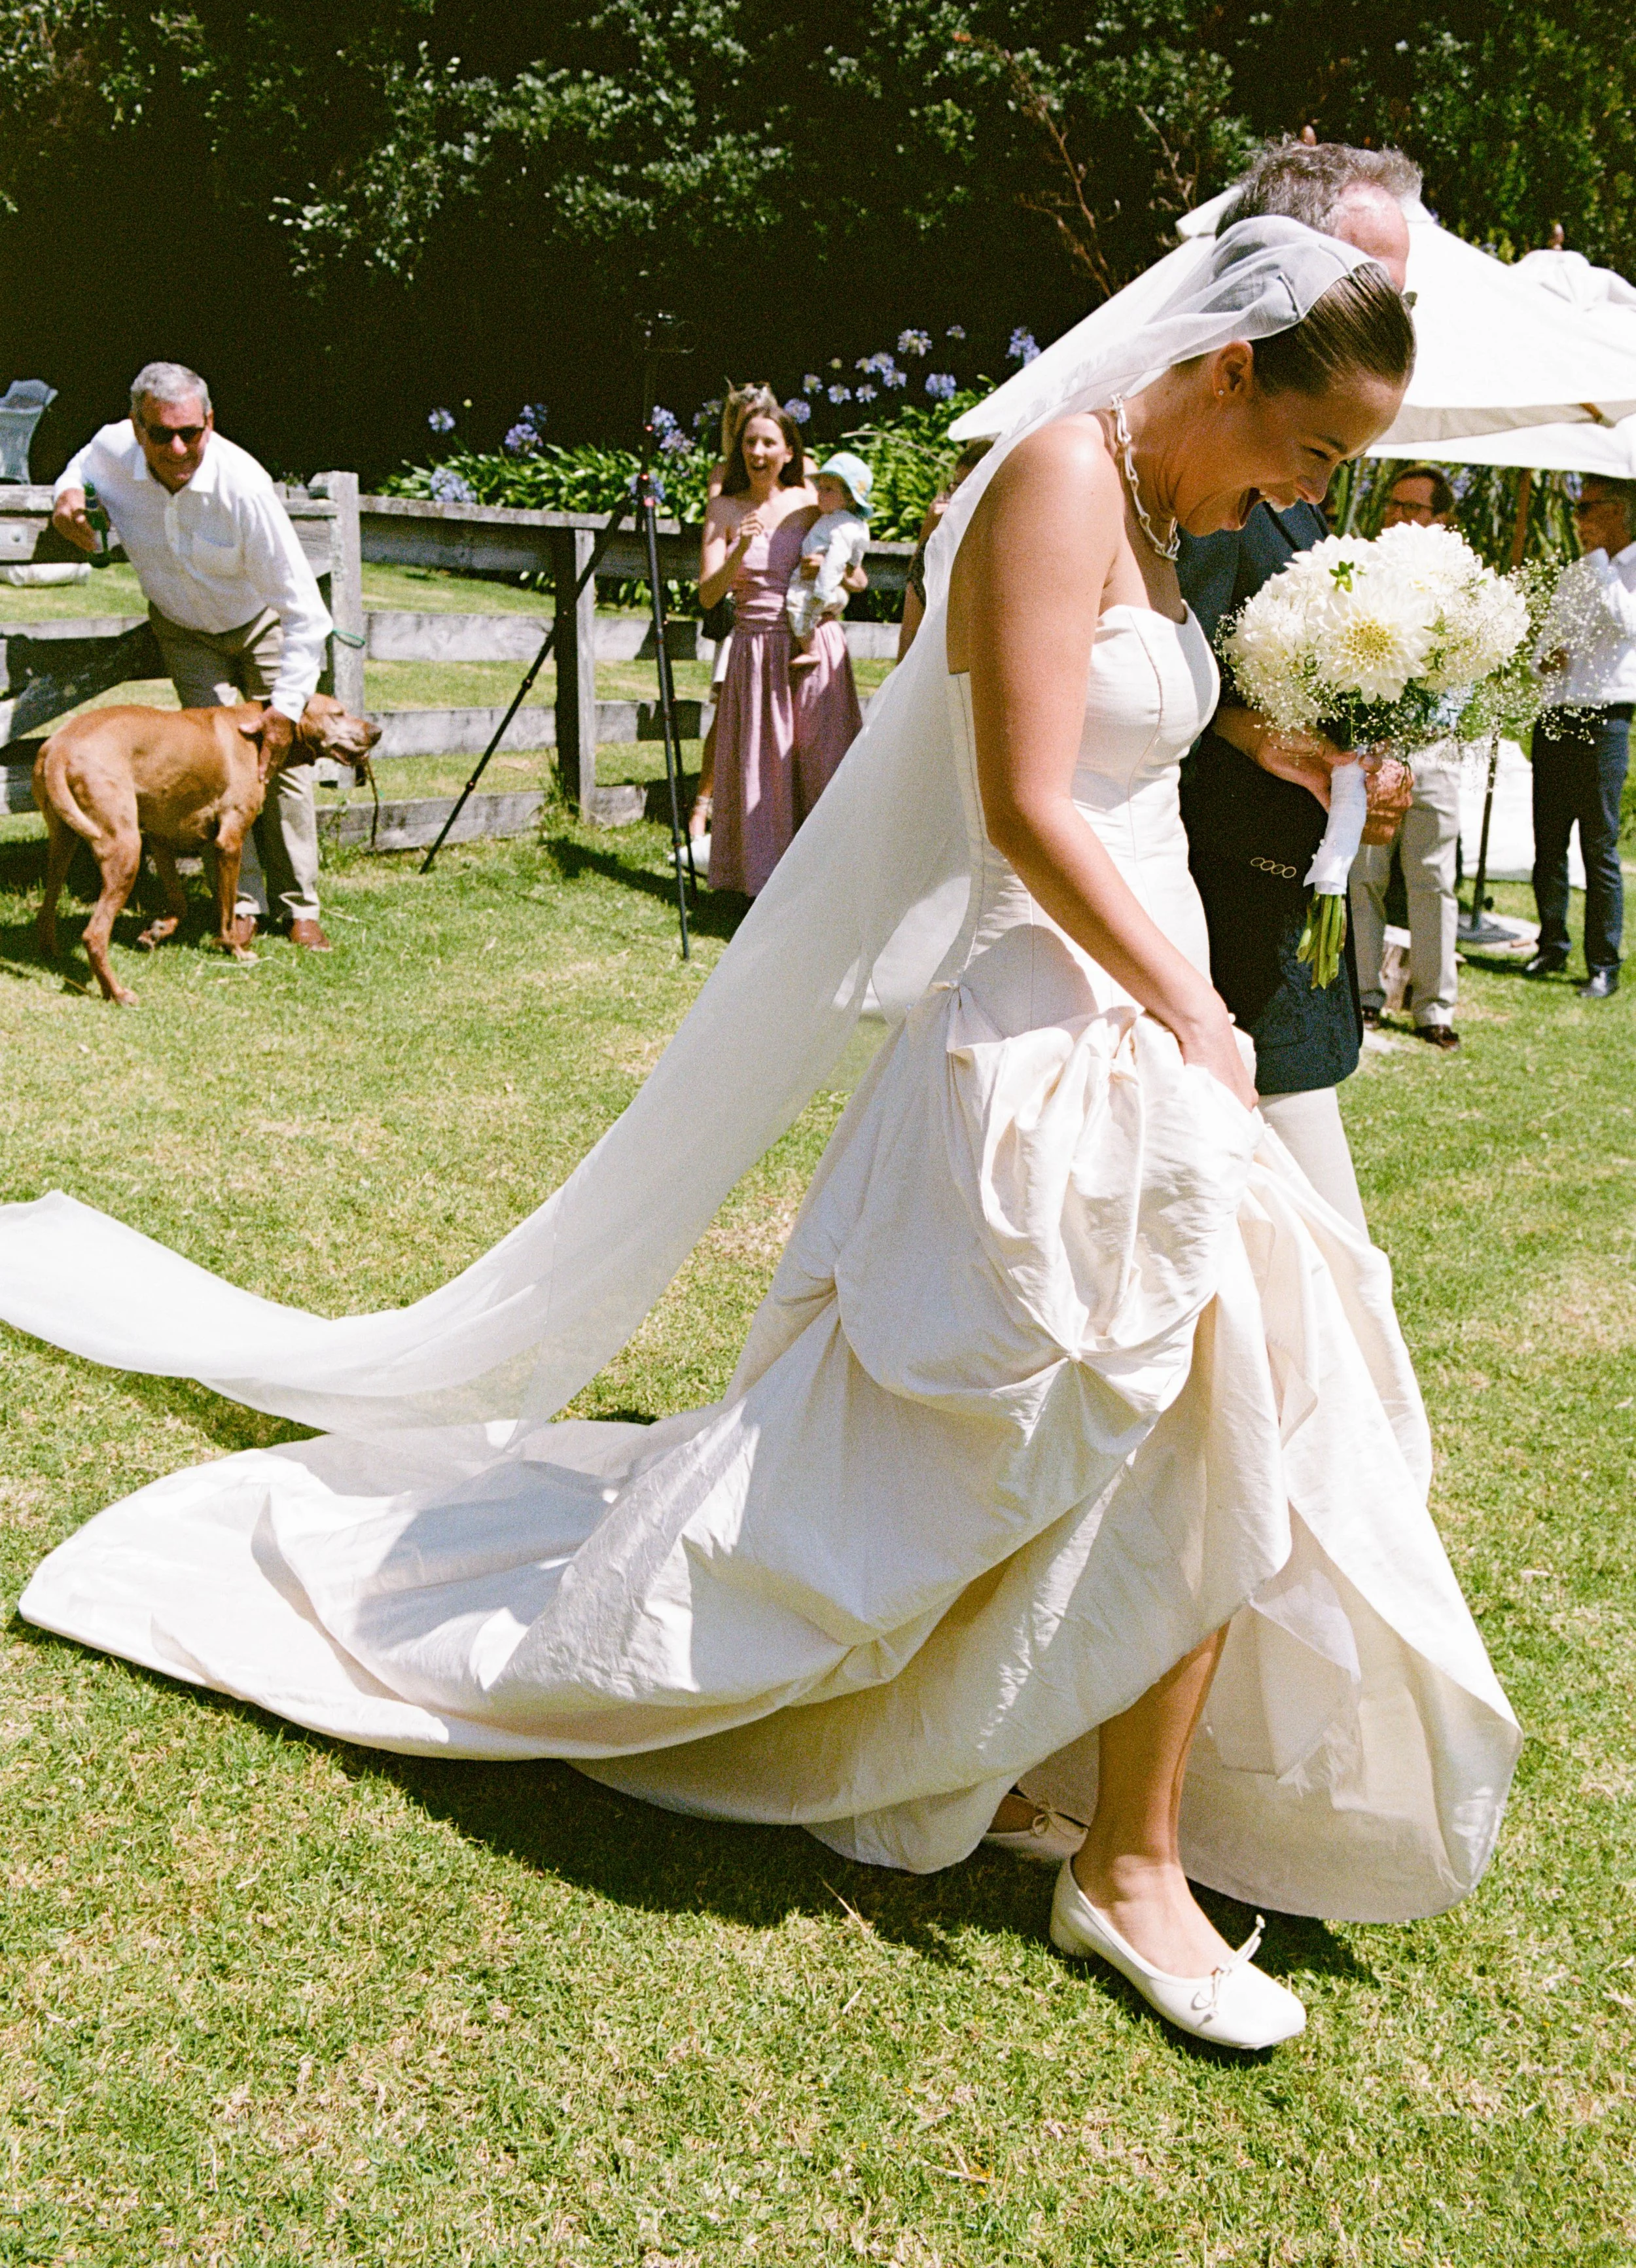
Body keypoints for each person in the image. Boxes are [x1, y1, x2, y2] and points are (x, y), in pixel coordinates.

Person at [9, 222, 1518, 2056]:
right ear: (1226, 371)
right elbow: (1030, 804)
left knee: (1192, 1389)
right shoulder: (1054, 475)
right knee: (1192, 1377)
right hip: (1055, 1016)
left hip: (1139, 1002)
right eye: (1312, 453)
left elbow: (1128, 774)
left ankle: (1079, 1794)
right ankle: (1123, 1867)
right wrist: (1189, 1014)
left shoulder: (1148, 502)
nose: (1306, 493)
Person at [1179, 140, 1419, 1231]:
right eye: (1368, 289)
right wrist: (1258, 733)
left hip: (1290, 919)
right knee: (1326, 1269)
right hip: (1219, 930)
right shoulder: (1214, 488)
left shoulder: (1298, 482)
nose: (1390, 319)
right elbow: (1154, 698)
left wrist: (1362, 770)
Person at [52, 362, 337, 951]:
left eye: (191, 432)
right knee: (211, 774)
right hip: (184, 631)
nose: (178, 448)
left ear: (210, 422)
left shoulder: (244, 487)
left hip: (261, 623)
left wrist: (284, 710)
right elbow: (82, 458)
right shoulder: (113, 449)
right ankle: (242, 905)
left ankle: (301, 905)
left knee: (278, 763)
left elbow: (307, 612)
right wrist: (67, 493)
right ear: (137, 428)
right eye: (161, 435)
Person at [698, 395, 863, 895]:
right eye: (750, 441)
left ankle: (834, 885)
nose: (758, 450)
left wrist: (832, 577)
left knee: (823, 760)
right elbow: (708, 594)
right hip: (754, 650)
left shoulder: (811, 507)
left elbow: (859, 576)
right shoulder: (723, 509)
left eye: (769, 442)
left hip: (814, 644)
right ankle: (761, 885)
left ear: (790, 452)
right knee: (764, 771)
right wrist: (739, 550)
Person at [1348, 466, 1465, 1049]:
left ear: (1442, 520)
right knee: (1364, 876)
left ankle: (1434, 1008)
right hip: (1374, 750)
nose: (1398, 515)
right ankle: (1366, 996)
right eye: (1392, 504)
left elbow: (1472, 663)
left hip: (1437, 748)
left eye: (1413, 507)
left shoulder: (1462, 586)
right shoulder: (1363, 574)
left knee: (1433, 879)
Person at [1526, 472, 1636, 998]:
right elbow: (1543, 647)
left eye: (1588, 507)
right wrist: (1541, 660)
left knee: (1599, 845)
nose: (1579, 519)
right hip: (1557, 716)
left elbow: (1628, 623)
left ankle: (1604, 962)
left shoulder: (1624, 570)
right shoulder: (1575, 574)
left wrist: (1600, 564)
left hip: (1604, 717)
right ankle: (1551, 945)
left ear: (1619, 510)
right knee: (1548, 841)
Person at [897, 442, 993, 659]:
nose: (959, 497)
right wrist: (929, 531)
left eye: (970, 488)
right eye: (956, 487)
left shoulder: (1003, 551)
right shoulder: (934, 552)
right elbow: (910, 631)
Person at [786, 453, 872, 670]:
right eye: (820, 489)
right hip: (822, 589)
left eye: (829, 490)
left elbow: (842, 564)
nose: (820, 495)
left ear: (850, 498)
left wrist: (822, 589)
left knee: (797, 605)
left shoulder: (843, 526)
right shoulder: (833, 520)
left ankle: (811, 650)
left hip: (817, 590)